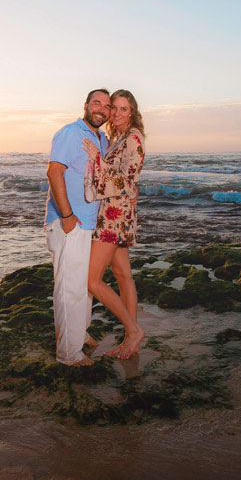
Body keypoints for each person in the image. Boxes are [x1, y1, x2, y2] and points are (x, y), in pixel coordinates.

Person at [45, 88, 111, 366]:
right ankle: (68, 354)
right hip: (69, 222)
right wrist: (67, 215)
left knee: (83, 285)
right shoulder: (70, 133)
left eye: (107, 106)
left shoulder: (102, 139)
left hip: (89, 223)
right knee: (69, 287)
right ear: (86, 105)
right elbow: (54, 172)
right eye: (96, 102)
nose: (101, 109)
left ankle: (79, 335)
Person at [82, 89, 146, 359]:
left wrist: (97, 157)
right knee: (122, 276)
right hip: (117, 213)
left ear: (132, 112)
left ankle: (132, 331)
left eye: (123, 109)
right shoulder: (117, 138)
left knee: (92, 280)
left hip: (114, 217)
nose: (117, 114)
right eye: (114, 108)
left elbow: (127, 178)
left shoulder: (133, 137)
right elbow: (129, 183)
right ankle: (129, 342)